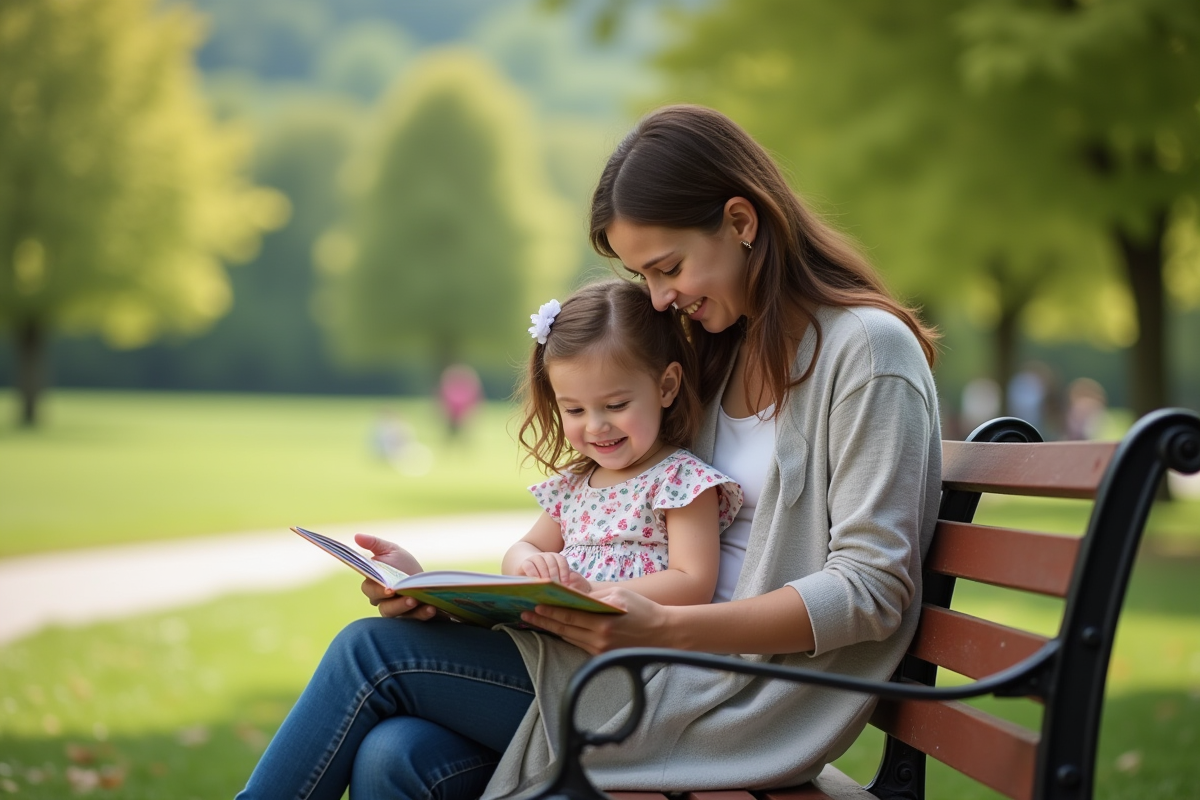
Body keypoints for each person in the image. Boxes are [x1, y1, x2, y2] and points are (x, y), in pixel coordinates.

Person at [236, 104, 941, 800]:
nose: (661, 301)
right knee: (399, 755)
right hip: (639, 663)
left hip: (723, 693)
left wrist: (667, 625)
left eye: (669, 268)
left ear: (741, 221)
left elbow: (871, 591)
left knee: (370, 656)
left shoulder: (867, 353)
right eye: (646, 279)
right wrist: (444, 597)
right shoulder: (718, 360)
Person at [505, 281, 742, 603]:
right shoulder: (574, 486)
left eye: (615, 406)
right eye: (574, 409)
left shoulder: (680, 483)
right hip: (553, 638)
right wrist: (529, 563)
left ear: (666, 386)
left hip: (626, 645)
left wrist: (590, 593)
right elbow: (522, 549)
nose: (596, 426)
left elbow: (692, 583)